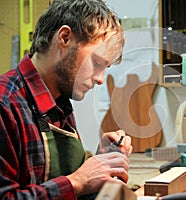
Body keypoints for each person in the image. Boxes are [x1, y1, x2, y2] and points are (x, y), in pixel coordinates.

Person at [0, 0, 133, 199]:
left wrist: (99, 161)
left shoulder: (60, 101)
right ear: (64, 38)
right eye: (96, 62)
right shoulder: (5, 105)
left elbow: (62, 183)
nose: (100, 79)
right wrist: (77, 182)